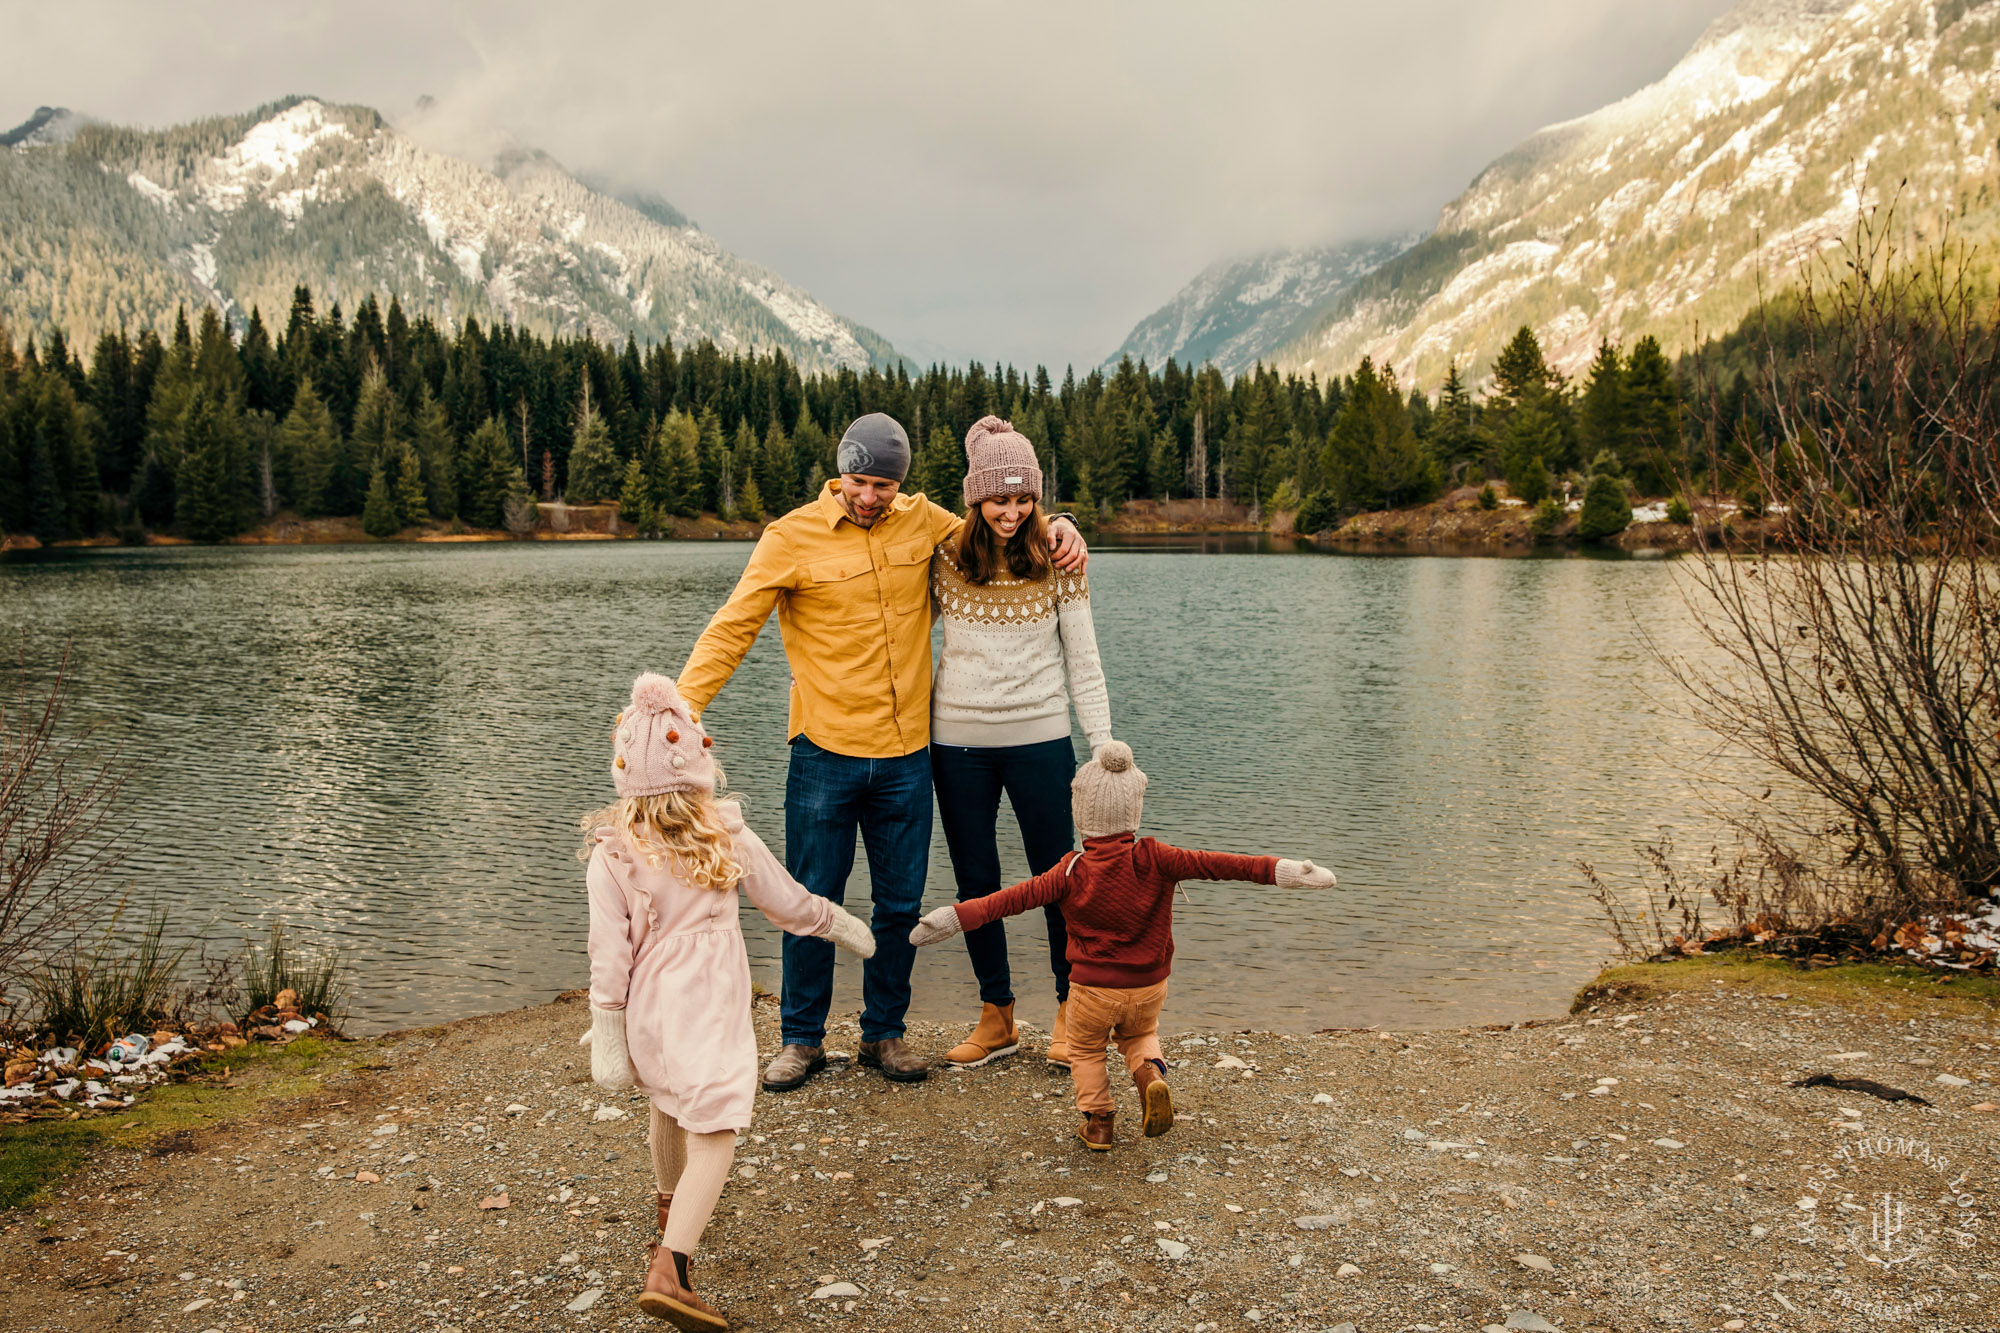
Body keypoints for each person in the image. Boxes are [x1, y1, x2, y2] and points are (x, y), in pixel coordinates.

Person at [675, 413, 1086, 1092]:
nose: (872, 497)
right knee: (810, 898)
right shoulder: (789, 539)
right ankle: (801, 1039)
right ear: (841, 474)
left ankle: (883, 1033)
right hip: (823, 752)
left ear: (903, 483)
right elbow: (732, 628)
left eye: (886, 485)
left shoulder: (924, 523)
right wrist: (683, 708)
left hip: (906, 757)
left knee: (899, 904)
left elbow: (1002, 520)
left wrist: (1061, 521)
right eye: (862, 482)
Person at [582, 672, 875, 1329]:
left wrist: (609, 1027)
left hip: (649, 1010)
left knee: (667, 1100)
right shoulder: (725, 836)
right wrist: (843, 924)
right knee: (716, 1125)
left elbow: (609, 955)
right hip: (708, 1007)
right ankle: (671, 1267)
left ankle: (670, 1209)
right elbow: (789, 903)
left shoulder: (612, 855)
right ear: (697, 764)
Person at [909, 741, 1336, 1151]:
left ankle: (1099, 1123)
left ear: (1080, 811)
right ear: (1135, 808)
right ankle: (1149, 1078)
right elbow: (1223, 864)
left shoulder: (1068, 870)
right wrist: (1289, 870)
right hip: (1150, 986)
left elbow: (1006, 901)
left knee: (1086, 1048)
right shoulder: (1158, 856)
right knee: (1140, 1034)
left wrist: (950, 918)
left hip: (1093, 991)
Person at [929, 415, 1111, 1071]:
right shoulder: (944, 556)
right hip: (957, 746)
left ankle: (1071, 1009)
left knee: (1059, 879)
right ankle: (996, 1013)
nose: (1012, 511)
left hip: (1040, 738)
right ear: (976, 496)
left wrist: (1105, 747)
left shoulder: (1060, 557)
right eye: (999, 498)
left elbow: (1084, 662)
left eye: (1024, 497)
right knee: (977, 879)